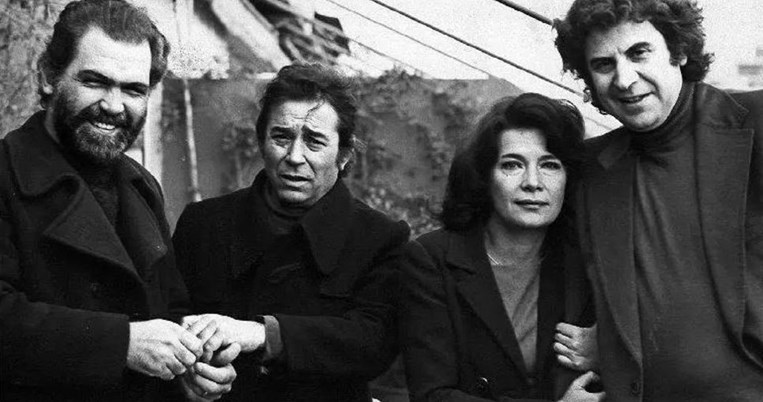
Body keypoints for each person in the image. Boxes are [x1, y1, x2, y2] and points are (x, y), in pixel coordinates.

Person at [0, 0, 237, 401]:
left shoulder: (141, 185)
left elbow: (170, 307)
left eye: (133, 90)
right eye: (94, 82)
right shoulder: (6, 175)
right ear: (48, 76)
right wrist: (121, 344)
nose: (113, 106)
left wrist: (190, 366)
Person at [555, 0, 763, 400]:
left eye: (638, 53)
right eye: (603, 64)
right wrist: (610, 345)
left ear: (679, 50)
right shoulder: (590, 168)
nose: (624, 79)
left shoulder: (755, 122)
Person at [173, 63, 411, 401]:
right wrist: (190, 374)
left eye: (314, 141)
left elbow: (374, 341)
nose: (294, 157)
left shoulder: (379, 238)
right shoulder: (203, 224)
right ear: (261, 142)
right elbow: (167, 318)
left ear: (344, 155)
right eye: (281, 137)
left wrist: (263, 333)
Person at [401, 93, 604, 402]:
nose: (533, 182)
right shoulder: (432, 259)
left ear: (569, 177)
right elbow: (431, 394)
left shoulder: (585, 260)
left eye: (550, 165)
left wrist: (607, 351)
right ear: (484, 177)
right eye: (512, 165)